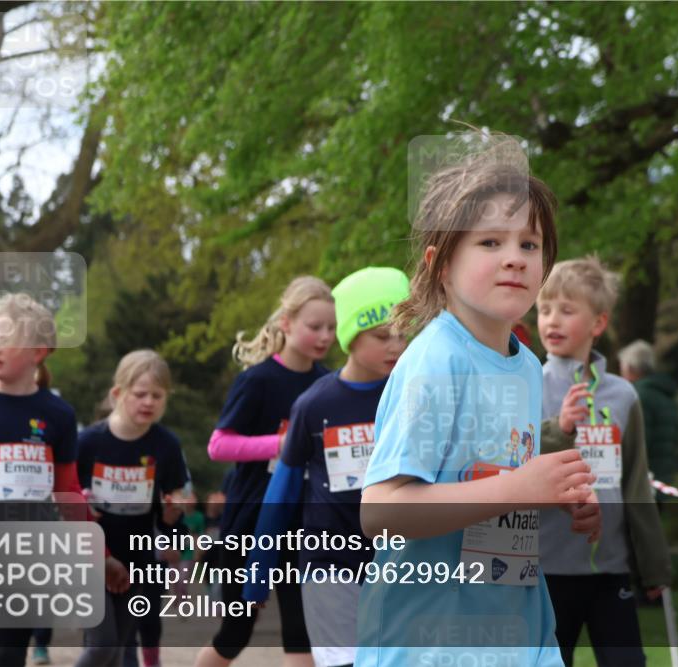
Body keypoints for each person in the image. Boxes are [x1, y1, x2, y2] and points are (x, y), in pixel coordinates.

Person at [356, 145, 601, 667]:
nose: (515, 257)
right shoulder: (436, 360)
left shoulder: (527, 366)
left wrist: (554, 493)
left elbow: (488, 478)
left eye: (530, 243)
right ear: (441, 265)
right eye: (490, 241)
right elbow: (381, 510)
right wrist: (518, 488)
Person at [244, 266, 409, 667]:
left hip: (400, 564)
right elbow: (281, 494)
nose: (396, 345)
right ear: (350, 336)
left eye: (404, 334)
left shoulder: (412, 397)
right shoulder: (314, 405)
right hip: (330, 565)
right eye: (382, 336)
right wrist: (258, 572)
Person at [537, 256, 673, 666]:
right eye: (544, 309)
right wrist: (560, 427)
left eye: (566, 310)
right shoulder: (526, 385)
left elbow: (636, 484)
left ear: (598, 323)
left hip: (610, 570)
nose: (552, 320)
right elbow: (513, 463)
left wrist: (653, 565)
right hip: (545, 571)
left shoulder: (624, 396)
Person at [195, 277, 336, 667]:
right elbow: (219, 445)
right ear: (286, 323)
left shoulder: (328, 383)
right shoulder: (256, 380)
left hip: (304, 524)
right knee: (235, 634)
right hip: (250, 520)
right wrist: (282, 445)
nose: (325, 336)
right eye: (315, 326)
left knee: (301, 633)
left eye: (332, 327)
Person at [0, 292, 83, 667]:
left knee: (7, 655)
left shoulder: (59, 414)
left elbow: (67, 488)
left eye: (7, 339)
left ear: (39, 351)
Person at [76, 349, 189, 667]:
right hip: (90, 555)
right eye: (140, 394)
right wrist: (81, 502)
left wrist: (171, 515)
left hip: (138, 559)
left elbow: (171, 506)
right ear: (117, 394)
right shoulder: (88, 442)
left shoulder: (166, 445)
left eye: (157, 395)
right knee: (102, 645)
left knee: (120, 647)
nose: (148, 402)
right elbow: (63, 496)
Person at [618, 340, 678, 483]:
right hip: (664, 475)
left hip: (642, 480)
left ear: (629, 368)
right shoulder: (664, 394)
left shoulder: (637, 396)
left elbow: (637, 443)